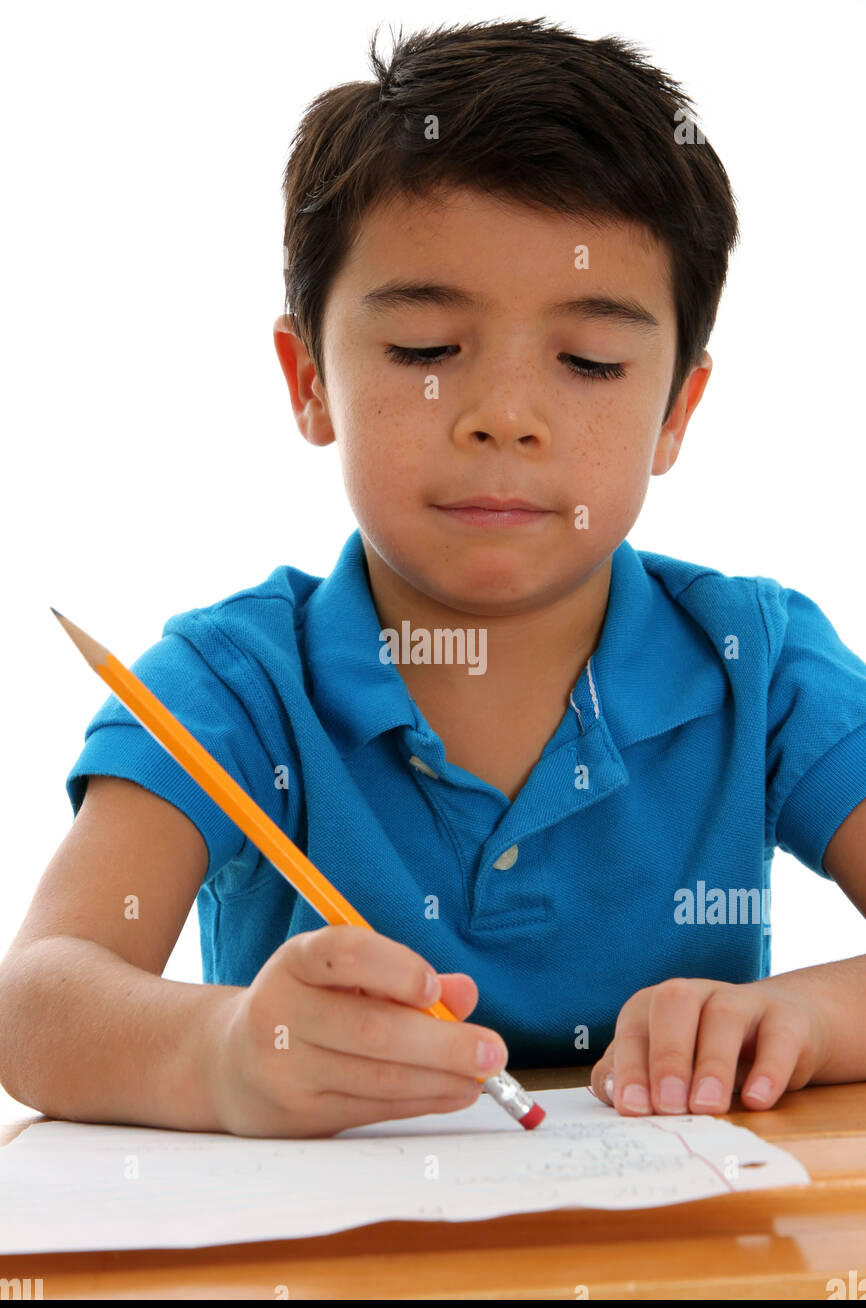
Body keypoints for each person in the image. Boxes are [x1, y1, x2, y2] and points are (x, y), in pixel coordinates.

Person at [3, 19, 865, 1139]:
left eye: (589, 363)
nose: (500, 417)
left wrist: (804, 1014)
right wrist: (222, 1053)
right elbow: (37, 999)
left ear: (675, 411)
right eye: (422, 349)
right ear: (308, 378)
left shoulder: (759, 665)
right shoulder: (230, 685)